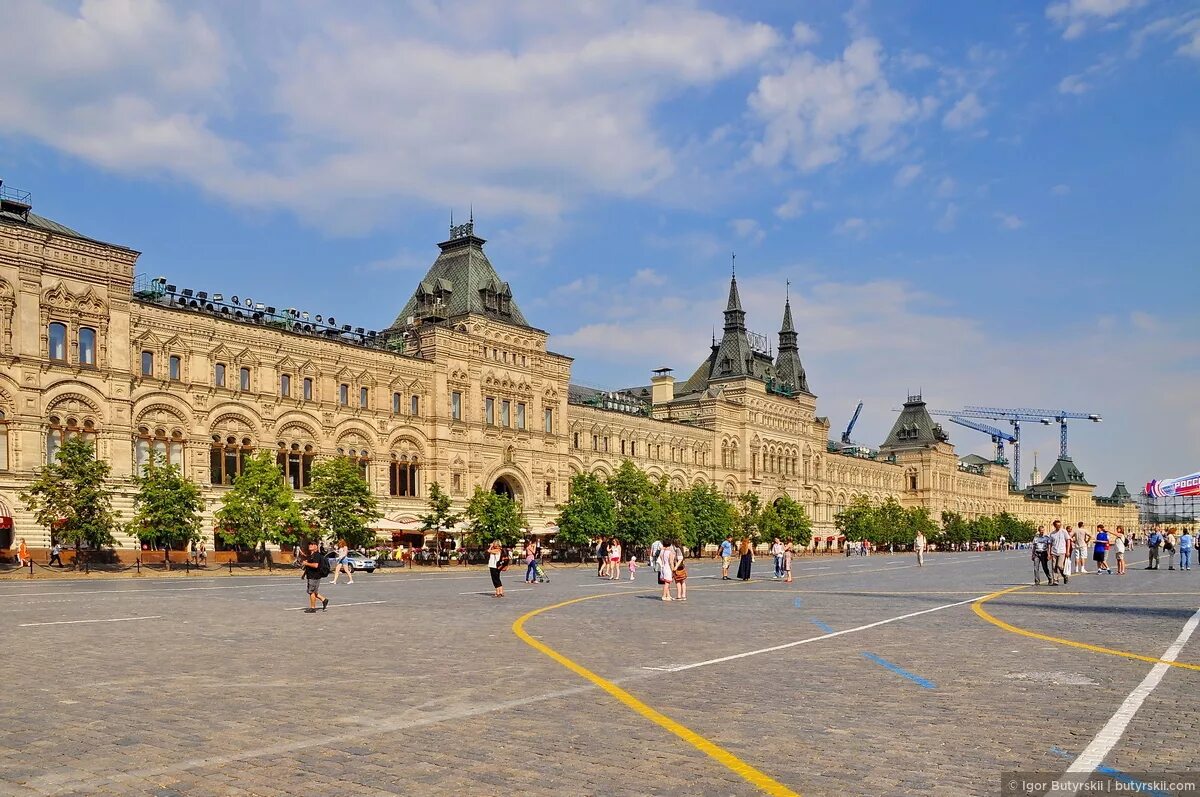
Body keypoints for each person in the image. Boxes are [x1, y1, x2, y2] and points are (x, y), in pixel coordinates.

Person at [298, 541, 329, 613]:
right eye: (309, 544)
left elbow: (315, 565)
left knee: (311, 592)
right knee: (313, 591)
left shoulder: (316, 555)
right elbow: (308, 566)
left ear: (316, 546)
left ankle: (313, 608)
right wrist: (304, 574)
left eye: (312, 545)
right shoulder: (311, 555)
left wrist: (306, 563)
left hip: (314, 576)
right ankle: (324, 600)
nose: (310, 546)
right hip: (311, 575)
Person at [1049, 520, 1071, 585]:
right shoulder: (1052, 534)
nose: (1059, 526)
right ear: (1054, 526)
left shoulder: (1064, 532)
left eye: (1060, 525)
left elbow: (1068, 541)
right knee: (1054, 567)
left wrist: (1067, 551)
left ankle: (1064, 575)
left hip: (1062, 551)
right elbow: (1050, 543)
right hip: (1054, 552)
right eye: (1057, 525)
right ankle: (1055, 580)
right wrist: (1049, 552)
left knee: (1059, 565)